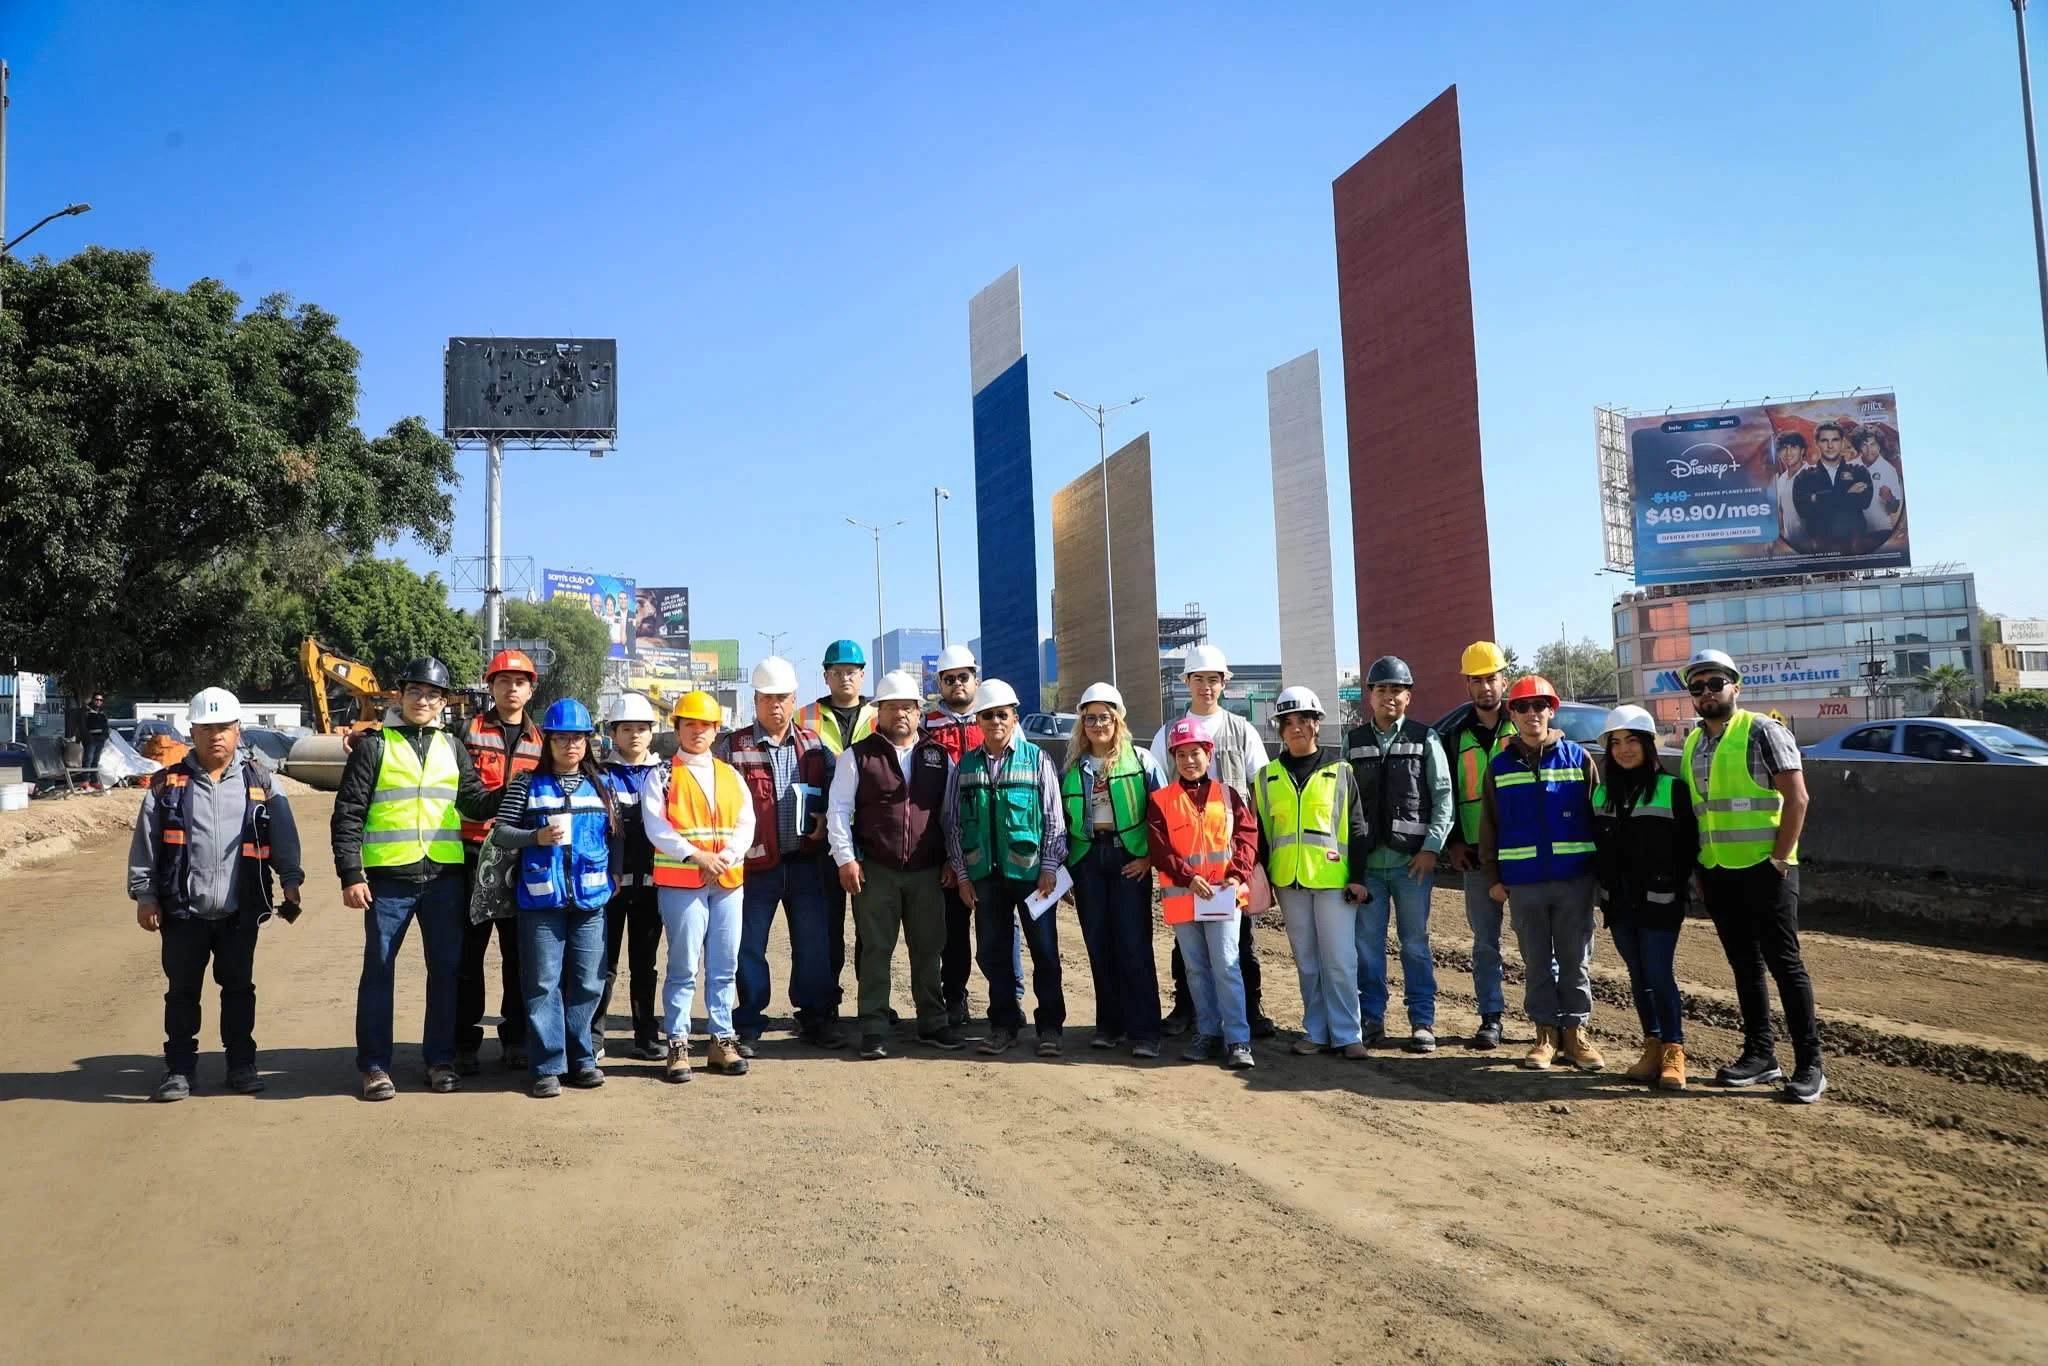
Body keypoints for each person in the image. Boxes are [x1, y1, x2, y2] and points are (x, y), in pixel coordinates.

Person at [127, 687, 304, 1101]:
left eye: (223, 727)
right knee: (182, 992)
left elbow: (283, 836)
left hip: (239, 911)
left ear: (238, 730)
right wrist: (145, 895)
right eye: (206, 728)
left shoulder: (261, 780)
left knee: (239, 988)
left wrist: (291, 880)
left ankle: (241, 1064)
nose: (215, 736)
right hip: (182, 910)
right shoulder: (166, 784)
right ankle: (179, 1070)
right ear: (192, 732)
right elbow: (146, 843)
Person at [332, 657, 493, 1101]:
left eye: (433, 694)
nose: (424, 701)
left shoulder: (452, 746)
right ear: (400, 695)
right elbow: (348, 812)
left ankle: (440, 1060)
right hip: (389, 880)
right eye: (416, 692)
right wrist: (350, 872)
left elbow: (474, 801)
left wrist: (509, 792)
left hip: (444, 877)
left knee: (445, 973)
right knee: (379, 972)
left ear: (444, 702)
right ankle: (375, 1067)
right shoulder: (374, 746)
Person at [1679, 649, 1822, 1102]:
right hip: (1719, 872)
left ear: (1735, 687)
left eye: (1714, 684)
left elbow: (1797, 799)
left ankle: (1810, 1065)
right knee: (1745, 965)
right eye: (1697, 687)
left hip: (1768, 871)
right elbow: (1700, 814)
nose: (1706, 693)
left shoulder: (1763, 730)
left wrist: (1779, 860)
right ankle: (1761, 1055)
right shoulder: (1692, 743)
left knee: (1786, 965)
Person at [825, 670, 960, 1059]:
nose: (900, 714)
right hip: (876, 871)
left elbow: (949, 814)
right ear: (878, 712)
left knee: (928, 948)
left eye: (908, 707)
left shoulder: (938, 757)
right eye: (892, 707)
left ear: (919, 712)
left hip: (926, 871)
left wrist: (952, 859)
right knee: (876, 949)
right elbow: (839, 811)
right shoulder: (859, 756)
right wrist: (845, 859)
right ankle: (873, 1027)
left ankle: (933, 1022)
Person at [1478, 674, 1605, 1073]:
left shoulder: (1579, 760)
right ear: (1511, 714)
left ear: (1552, 709)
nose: (1532, 713)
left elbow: (1599, 821)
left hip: (1575, 882)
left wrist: (1600, 878)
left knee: (1575, 961)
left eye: (1539, 705)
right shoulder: (1499, 767)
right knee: (1536, 963)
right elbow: (1489, 826)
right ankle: (1545, 1035)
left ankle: (1576, 1034)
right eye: (1522, 706)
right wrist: (1493, 878)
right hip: (1524, 883)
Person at [715, 657, 842, 1052]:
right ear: (754, 700)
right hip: (754, 867)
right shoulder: (732, 746)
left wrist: (824, 817)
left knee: (813, 943)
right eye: (767, 698)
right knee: (749, 945)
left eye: (783, 698)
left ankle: (816, 1018)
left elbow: (840, 796)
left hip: (805, 862)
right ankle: (750, 1021)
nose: (775, 706)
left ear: (794, 700)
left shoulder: (815, 746)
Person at [488, 699, 613, 1098]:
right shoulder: (527, 783)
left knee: (587, 982)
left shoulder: (601, 784)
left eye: (578, 738)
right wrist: (535, 838)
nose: (570, 745)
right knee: (543, 984)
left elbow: (617, 836)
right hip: (541, 903)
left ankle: (582, 1060)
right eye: (562, 737)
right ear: (549, 740)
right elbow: (501, 832)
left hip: (590, 902)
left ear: (588, 741)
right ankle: (546, 1066)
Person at [1148, 644, 1273, 1039]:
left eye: (1213, 679)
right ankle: (1187, 1010)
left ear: (1223, 684)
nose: (1206, 686)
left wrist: (1252, 858)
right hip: (1184, 864)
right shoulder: (1167, 734)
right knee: (1188, 948)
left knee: (1240, 942)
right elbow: (1154, 790)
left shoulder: (1243, 730)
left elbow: (1262, 790)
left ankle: (1250, 1012)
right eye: (1199, 679)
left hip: (1230, 860)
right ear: (1186, 682)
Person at [942, 678, 1068, 1057]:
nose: (995, 721)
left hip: (1033, 877)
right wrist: (963, 876)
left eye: (1002, 714)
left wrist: (1049, 866)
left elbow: (1053, 819)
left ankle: (1050, 1028)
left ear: (1014, 717)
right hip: (986, 879)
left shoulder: (1037, 760)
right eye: (987, 715)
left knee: (1045, 952)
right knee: (993, 954)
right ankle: (1004, 1025)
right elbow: (954, 825)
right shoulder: (965, 765)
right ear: (978, 721)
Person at [1253, 687, 1373, 1059]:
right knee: (1306, 961)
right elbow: (1260, 832)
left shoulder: (1340, 771)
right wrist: (1263, 880)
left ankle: (1348, 1034)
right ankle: (1316, 1031)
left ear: (1316, 724)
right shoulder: (1266, 777)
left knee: (1338, 959)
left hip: (1333, 881)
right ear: (1279, 730)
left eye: (1303, 720)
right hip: (1289, 882)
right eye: (1287, 722)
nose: (1295, 728)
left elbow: (1357, 828)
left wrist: (1359, 877)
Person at [1344, 655, 1454, 1052]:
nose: (1388, 696)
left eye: (1396, 690)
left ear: (1408, 697)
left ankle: (1422, 1021)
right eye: (1381, 689)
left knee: (1414, 944)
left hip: (1413, 866)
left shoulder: (1426, 738)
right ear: (1369, 696)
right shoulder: (1353, 743)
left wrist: (1431, 849)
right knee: (1368, 947)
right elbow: (1343, 805)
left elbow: (1443, 797)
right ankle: (1372, 1018)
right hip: (1369, 867)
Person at [644, 690, 755, 1083]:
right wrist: (698, 857)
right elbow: (657, 828)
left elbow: (745, 825)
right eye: (689, 724)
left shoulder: (731, 775)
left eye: (704, 725)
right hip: (682, 883)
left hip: (726, 882)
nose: (697, 731)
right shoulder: (661, 775)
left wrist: (723, 857)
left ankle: (721, 1039)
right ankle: (678, 1043)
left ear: (715, 730)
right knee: (683, 966)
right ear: (676, 728)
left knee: (725, 966)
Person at [1591, 704, 1698, 1092]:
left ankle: (1674, 1051)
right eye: (1616, 743)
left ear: (1649, 744)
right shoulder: (1602, 793)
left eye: (1631, 741)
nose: (1623, 750)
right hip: (1619, 903)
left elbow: (1689, 850)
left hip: (1660, 901)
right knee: (1637, 974)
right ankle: (1652, 1044)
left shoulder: (1673, 790)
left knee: (1657, 972)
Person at [1061, 682, 1168, 1058]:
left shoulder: (1141, 761)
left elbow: (1163, 815)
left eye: (1104, 716)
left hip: (1129, 861)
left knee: (1134, 945)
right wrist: (1066, 869)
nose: (1096, 724)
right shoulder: (1073, 767)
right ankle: (1109, 1025)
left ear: (1117, 719)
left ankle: (1145, 1031)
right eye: (1089, 718)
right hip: (1088, 862)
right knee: (1099, 946)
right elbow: (1060, 820)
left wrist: (1150, 859)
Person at [1149, 718, 1259, 1070]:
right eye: (1181, 755)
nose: (1189, 761)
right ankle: (1207, 1033)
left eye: (1195, 753)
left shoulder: (1228, 795)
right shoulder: (1161, 801)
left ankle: (1238, 1039)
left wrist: (1238, 873)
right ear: (1173, 759)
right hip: (1184, 896)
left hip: (1224, 896)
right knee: (1196, 969)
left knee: (1227, 966)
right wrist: (1188, 876)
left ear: (1208, 755)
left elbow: (1247, 836)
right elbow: (1160, 848)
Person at [457, 649, 545, 1075]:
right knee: (467, 957)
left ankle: (515, 1038)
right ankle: (465, 1042)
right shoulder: (467, 732)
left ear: (531, 689)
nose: (512, 689)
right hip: (471, 855)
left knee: (518, 955)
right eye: (503, 681)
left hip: (520, 859)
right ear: (490, 686)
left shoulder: (541, 740)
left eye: (520, 682)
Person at [921, 642, 1017, 1027]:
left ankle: (1010, 999)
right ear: (939, 683)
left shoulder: (996, 718)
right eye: (949, 678)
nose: (957, 683)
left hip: (996, 843)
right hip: (950, 842)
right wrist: (945, 853)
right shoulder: (927, 726)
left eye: (963, 677)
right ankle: (954, 998)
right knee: (954, 930)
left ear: (975, 679)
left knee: (1001, 926)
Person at [1435, 641, 1513, 1049]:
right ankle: (1491, 1017)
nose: (1485, 687)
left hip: (1525, 856)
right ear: (1467, 685)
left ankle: (1549, 1023)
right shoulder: (1453, 735)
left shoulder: (1523, 726)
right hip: (1478, 858)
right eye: (1477, 680)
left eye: (1491, 678)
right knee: (1485, 943)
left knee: (1540, 943)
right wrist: (1452, 843)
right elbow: (1443, 793)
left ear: (1505, 679)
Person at [797, 639, 878, 1017]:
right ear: (826, 675)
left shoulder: (881, 714)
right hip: (820, 836)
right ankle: (824, 1004)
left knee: (872, 928)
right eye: (837, 672)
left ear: (863, 675)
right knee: (825, 927)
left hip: (872, 837)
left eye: (851, 671)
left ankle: (871, 1003)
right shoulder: (804, 716)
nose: (844, 677)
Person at [596, 693, 666, 1061]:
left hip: (653, 885)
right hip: (611, 887)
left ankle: (646, 1035)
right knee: (602, 965)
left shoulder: (665, 774)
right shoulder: (600, 774)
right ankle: (594, 1037)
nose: (635, 735)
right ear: (614, 733)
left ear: (652, 733)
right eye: (627, 729)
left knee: (645, 963)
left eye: (642, 728)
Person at [1791, 422, 1872, 555]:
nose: (1830, 446)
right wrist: (1848, 494)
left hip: (1855, 550)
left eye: (1835, 440)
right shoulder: (1804, 477)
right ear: (1817, 443)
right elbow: (1803, 510)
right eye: (1824, 440)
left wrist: (1817, 498)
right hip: (1820, 552)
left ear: (1842, 442)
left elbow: (1864, 501)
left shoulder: (1858, 471)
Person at [1854, 429, 1904, 539]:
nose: (1869, 450)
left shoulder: (1889, 470)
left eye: (1873, 444)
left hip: (1880, 531)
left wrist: (1890, 498)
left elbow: (1894, 508)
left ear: (1879, 446)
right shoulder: (1850, 466)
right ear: (1859, 447)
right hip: (1853, 533)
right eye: (1864, 445)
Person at [1772, 432, 1813, 552]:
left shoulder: (1813, 474)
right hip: (1792, 549)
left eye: (1793, 447)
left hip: (1813, 547)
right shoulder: (1781, 479)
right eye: (1784, 448)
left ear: (1802, 451)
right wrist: (1783, 536)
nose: (1788, 453)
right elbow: (1780, 510)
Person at [80, 691, 111, 784]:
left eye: (100, 700)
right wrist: (88, 737)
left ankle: (94, 781)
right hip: (90, 740)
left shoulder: (103, 712)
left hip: (100, 740)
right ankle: (85, 780)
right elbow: (83, 726)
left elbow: (106, 725)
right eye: (96, 699)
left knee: (95, 761)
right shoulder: (86, 711)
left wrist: (105, 736)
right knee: (88, 760)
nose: (98, 702)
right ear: (93, 700)